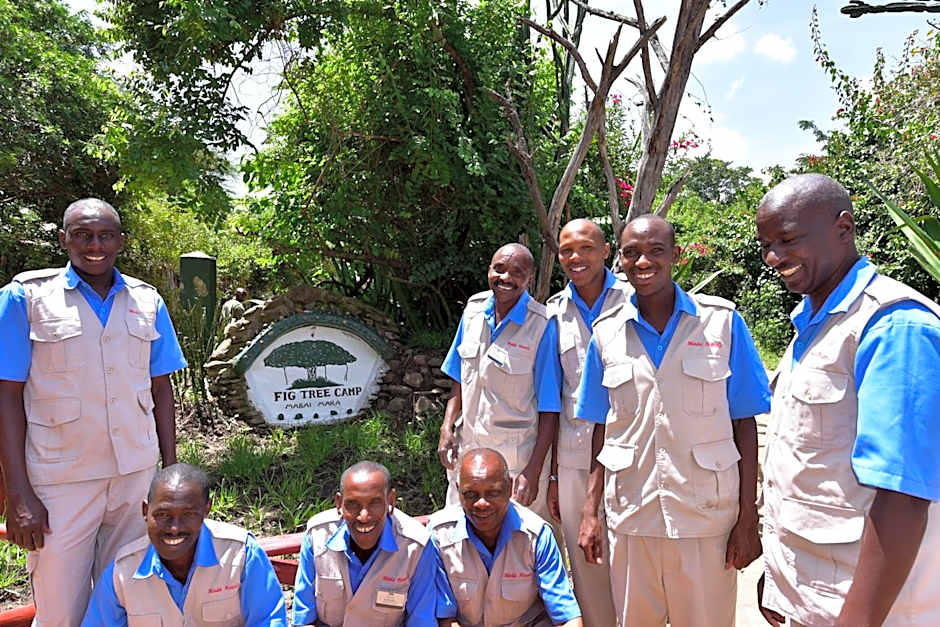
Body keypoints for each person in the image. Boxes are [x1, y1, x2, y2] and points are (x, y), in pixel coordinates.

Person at [755, 174, 940, 627]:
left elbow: (904, 498)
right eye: (766, 244)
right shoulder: (813, 325)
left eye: (788, 239)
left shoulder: (895, 327)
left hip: (867, 611)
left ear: (844, 227)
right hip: (810, 596)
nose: (774, 257)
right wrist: (778, 577)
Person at [575, 214, 770, 627]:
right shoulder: (606, 333)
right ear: (620, 262)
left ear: (676, 256)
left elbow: (745, 426)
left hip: (705, 517)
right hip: (632, 514)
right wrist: (591, 512)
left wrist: (748, 517)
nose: (642, 261)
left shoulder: (722, 323)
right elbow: (598, 428)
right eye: (631, 253)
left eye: (655, 251)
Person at [0, 198, 187, 626]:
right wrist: (18, 493)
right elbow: (6, 397)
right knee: (61, 609)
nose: (94, 245)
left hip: (134, 478)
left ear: (121, 241)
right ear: (64, 239)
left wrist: (171, 473)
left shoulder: (147, 300)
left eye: (105, 235)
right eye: (82, 235)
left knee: (128, 601)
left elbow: (162, 389)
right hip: (59, 482)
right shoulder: (25, 298)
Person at [437, 243, 562, 523]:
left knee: (520, 542)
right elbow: (459, 376)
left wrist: (534, 470)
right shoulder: (473, 311)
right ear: (489, 270)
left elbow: (550, 407)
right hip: (467, 450)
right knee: (461, 537)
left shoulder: (541, 325)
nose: (505, 278)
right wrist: (447, 427)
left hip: (515, 461)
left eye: (516, 272)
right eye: (499, 269)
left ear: (529, 278)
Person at [81, 463, 287, 626]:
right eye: (163, 515)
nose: (174, 528)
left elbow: (268, 620)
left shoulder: (240, 554)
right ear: (145, 511)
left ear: (207, 510)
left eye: (188, 515)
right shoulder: (123, 572)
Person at [544, 219, 624, 626]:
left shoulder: (634, 298)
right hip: (575, 458)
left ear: (606, 250)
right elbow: (555, 399)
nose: (577, 258)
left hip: (635, 453)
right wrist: (555, 476)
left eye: (586, 248)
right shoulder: (554, 314)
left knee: (635, 559)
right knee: (587, 560)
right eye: (567, 251)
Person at [430, 447, 583, 627]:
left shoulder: (536, 535)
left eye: (493, 492)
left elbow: (567, 617)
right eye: (470, 494)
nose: (481, 503)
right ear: (458, 490)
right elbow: (445, 619)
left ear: (509, 487)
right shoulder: (439, 536)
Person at [293, 461, 445, 626]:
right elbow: (304, 619)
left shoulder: (415, 546)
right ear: (339, 503)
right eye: (353, 504)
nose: (363, 516)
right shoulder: (317, 536)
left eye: (375, 503)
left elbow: (421, 620)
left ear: (391, 501)